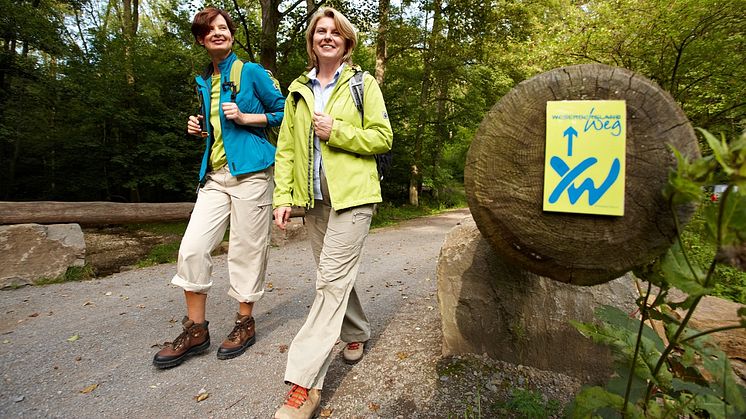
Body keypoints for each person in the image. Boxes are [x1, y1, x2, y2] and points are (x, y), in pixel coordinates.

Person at [271, 7, 393, 419]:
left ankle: (303, 387)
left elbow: (382, 137)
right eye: (320, 31)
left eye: (335, 32)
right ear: (312, 41)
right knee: (334, 275)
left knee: (328, 282)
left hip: (355, 197)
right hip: (316, 201)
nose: (327, 37)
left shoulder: (363, 84)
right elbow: (286, 149)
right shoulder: (297, 90)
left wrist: (335, 132)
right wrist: (282, 197)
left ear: (346, 42)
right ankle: (356, 331)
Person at [152, 7, 285, 369]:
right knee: (192, 248)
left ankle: (245, 322)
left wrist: (246, 118)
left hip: (253, 173)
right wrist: (199, 127)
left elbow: (286, 111)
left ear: (231, 34)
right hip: (214, 176)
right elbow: (217, 130)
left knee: (246, 250)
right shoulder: (205, 81)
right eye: (210, 30)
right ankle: (196, 330)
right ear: (200, 39)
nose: (218, 33)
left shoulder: (252, 73)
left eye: (223, 27)